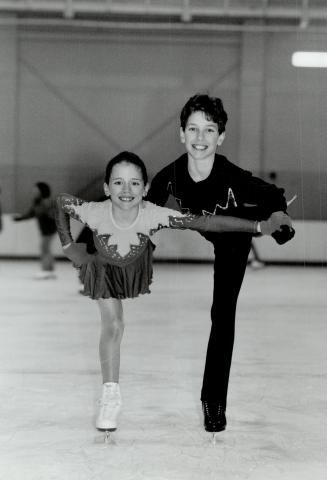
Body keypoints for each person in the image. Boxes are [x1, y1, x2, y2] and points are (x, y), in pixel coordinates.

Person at [54, 151, 288, 434]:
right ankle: (110, 395)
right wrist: (69, 247)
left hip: (135, 262)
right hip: (102, 267)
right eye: (117, 183)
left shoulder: (154, 214)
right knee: (114, 325)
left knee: (119, 323)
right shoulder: (94, 211)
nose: (126, 191)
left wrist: (258, 226)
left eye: (134, 184)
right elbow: (62, 203)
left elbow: (205, 222)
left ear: (146, 188)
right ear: (106, 188)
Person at [146, 94, 295, 434]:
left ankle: (213, 400)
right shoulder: (168, 177)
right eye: (193, 130)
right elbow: (146, 216)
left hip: (237, 234)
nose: (200, 138)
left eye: (209, 130)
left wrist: (280, 218)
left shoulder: (234, 176)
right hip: (209, 226)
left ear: (220, 137)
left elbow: (273, 193)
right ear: (181, 133)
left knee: (222, 313)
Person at [13, 182, 57, 279]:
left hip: (50, 228)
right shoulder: (37, 201)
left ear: (41, 190)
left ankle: (46, 270)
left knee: (44, 248)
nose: (33, 191)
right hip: (45, 229)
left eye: (35, 190)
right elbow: (31, 213)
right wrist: (19, 219)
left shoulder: (47, 201)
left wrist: (46, 212)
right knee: (46, 248)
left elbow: (53, 215)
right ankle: (50, 270)